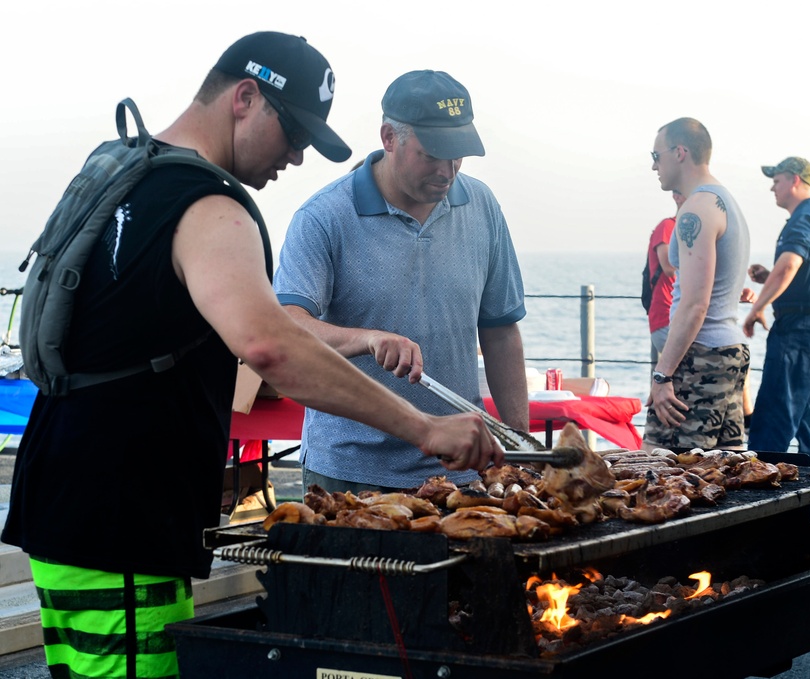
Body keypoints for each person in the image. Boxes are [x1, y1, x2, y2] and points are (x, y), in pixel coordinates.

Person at [1, 34, 504, 679]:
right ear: (245, 97)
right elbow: (272, 345)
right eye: (293, 131)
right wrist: (426, 429)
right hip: (121, 519)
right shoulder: (207, 204)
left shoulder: (132, 173)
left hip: (70, 495)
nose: (296, 156)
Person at [273, 69, 529, 494]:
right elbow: (285, 324)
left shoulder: (481, 204)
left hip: (463, 470)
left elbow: (501, 330)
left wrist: (520, 443)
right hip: (351, 471)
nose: (447, 171)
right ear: (389, 137)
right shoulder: (323, 217)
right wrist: (366, 339)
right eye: (432, 155)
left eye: (458, 155)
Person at [643, 118, 751, 451]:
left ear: (680, 152)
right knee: (726, 471)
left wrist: (662, 375)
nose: (653, 165)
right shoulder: (724, 201)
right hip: (729, 352)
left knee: (660, 471)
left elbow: (694, 304)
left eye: (656, 155)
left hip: (702, 355)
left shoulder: (697, 209)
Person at [743, 156, 810, 461]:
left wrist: (758, 306)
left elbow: (789, 266)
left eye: (777, 180)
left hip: (798, 328)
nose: (773, 187)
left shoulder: (803, 218)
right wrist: (768, 277)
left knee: (775, 409)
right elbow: (794, 272)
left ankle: (759, 487)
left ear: (795, 180)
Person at [646, 191, 683, 364]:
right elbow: (669, 267)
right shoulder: (667, 227)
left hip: (683, 317)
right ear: (676, 196)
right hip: (666, 317)